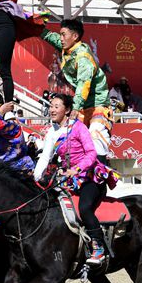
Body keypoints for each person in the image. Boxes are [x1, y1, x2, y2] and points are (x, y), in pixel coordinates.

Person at [48, 94, 106, 266]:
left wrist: (76, 169)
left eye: (56, 106)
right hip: (69, 181)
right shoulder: (52, 132)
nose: (52, 109)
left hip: (91, 179)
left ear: (66, 110)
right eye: (51, 106)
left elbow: (91, 153)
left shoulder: (79, 127)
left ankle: (98, 247)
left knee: (84, 208)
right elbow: (48, 157)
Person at [40, 18, 109, 125]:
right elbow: (51, 38)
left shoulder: (83, 57)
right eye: (60, 35)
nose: (61, 39)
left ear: (75, 36)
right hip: (84, 106)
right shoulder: (67, 46)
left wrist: (76, 107)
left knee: (95, 137)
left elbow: (83, 84)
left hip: (98, 105)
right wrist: (36, 28)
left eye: (64, 35)